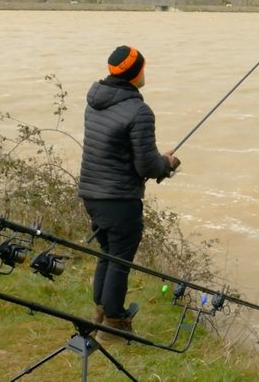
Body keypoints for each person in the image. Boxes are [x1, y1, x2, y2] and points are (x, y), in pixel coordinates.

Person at [77, 45, 180, 343]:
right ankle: (113, 326)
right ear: (135, 74)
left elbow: (121, 152)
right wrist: (167, 163)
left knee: (106, 255)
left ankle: (100, 314)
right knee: (119, 261)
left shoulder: (94, 102)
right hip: (120, 199)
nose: (145, 72)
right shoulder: (139, 110)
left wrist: (158, 162)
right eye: (143, 68)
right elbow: (146, 164)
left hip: (92, 194)